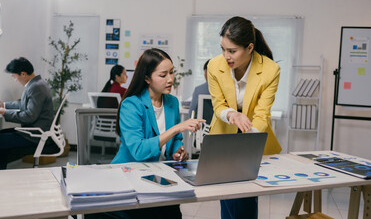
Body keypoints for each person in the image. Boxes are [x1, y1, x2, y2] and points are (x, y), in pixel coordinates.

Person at [86, 48, 205, 219]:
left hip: (161, 180)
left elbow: (175, 140)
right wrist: (176, 129)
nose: (170, 79)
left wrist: (178, 151)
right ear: (147, 78)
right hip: (129, 180)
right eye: (163, 75)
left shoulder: (171, 102)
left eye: (172, 72)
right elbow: (139, 150)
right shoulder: (131, 105)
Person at [207, 16, 282, 219]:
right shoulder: (215, 66)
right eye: (223, 49)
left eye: (232, 51)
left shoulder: (270, 70)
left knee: (246, 194)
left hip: (252, 135)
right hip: (223, 135)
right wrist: (232, 114)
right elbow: (218, 105)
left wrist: (247, 143)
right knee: (227, 193)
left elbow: (262, 114)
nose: (226, 56)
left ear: (250, 48)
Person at [0, 57, 55, 170]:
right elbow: (23, 105)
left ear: (23, 74)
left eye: (14, 76)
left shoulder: (36, 87)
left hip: (35, 135)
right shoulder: (36, 84)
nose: (15, 80)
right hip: (33, 131)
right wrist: (4, 105)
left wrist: (4, 112)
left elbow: (29, 117)